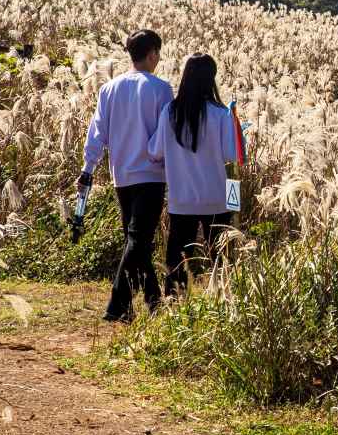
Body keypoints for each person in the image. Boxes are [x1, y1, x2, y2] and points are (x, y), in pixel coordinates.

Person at [80, 29, 173, 322]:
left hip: (121, 175)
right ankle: (117, 306)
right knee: (138, 241)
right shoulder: (161, 89)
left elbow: (97, 132)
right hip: (151, 174)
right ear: (152, 54)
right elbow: (165, 136)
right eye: (158, 53)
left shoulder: (109, 89)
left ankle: (153, 302)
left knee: (137, 242)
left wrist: (88, 168)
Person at [148, 53, 237, 297]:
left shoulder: (170, 112)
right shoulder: (221, 114)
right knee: (220, 256)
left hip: (182, 198)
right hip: (217, 197)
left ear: (185, 77)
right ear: (211, 78)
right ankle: (222, 299)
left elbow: (154, 151)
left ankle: (174, 300)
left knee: (177, 256)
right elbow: (233, 155)